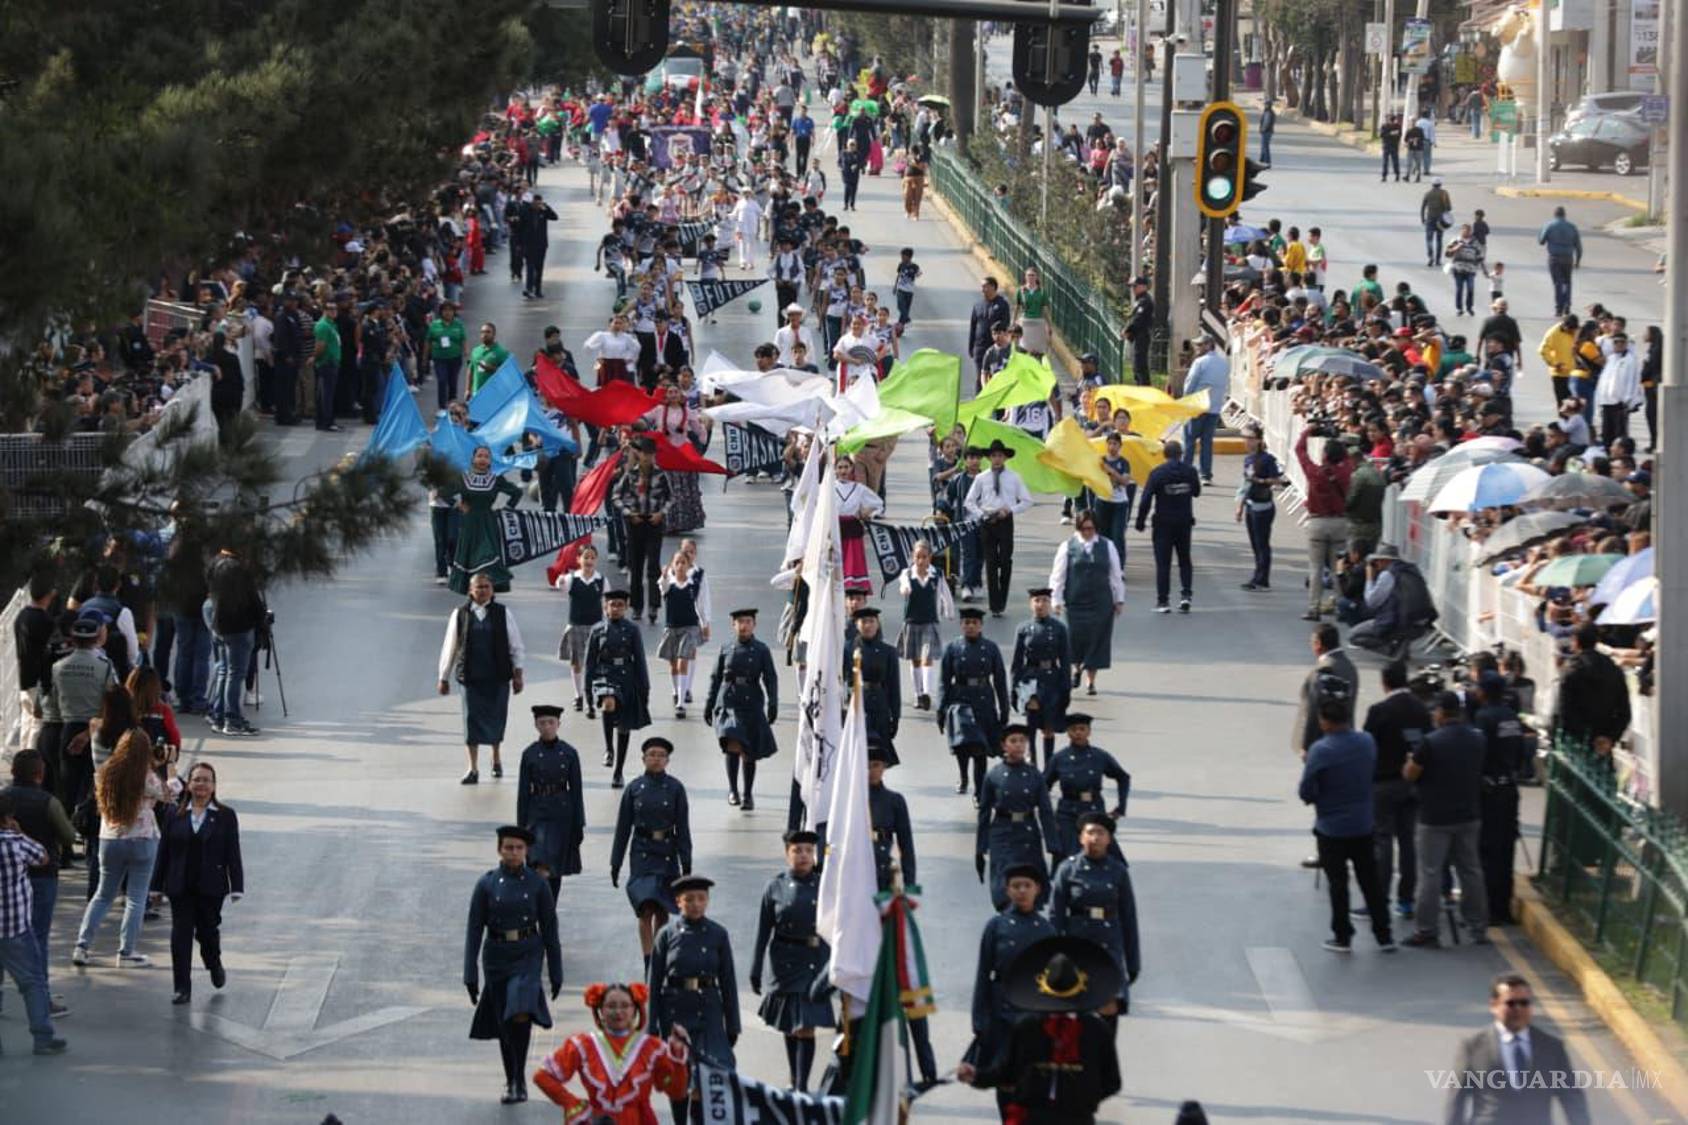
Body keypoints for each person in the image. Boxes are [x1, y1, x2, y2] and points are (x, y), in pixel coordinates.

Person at [958, 935, 1122, 1123]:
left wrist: (1084, 1098)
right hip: (1034, 1118)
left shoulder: (1097, 1031)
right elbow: (1006, 1072)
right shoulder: (1027, 1027)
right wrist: (976, 1075)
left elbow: (1112, 1081)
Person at [465, 824, 564, 1105]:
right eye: (508, 847)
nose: (513, 852)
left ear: (526, 851)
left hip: (527, 954)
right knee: (504, 1020)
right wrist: (470, 974)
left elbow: (549, 929)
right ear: (499, 849)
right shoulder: (486, 884)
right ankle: (511, 1079)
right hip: (496, 956)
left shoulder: (537, 884)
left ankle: (519, 1080)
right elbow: (473, 930)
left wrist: (556, 971)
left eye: (519, 848)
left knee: (520, 1011)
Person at [1299, 697, 1396, 953]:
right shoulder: (1366, 742)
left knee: (1338, 883)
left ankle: (1342, 935)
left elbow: (1306, 790)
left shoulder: (1321, 750)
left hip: (1332, 828)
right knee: (1370, 881)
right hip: (1363, 823)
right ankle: (1384, 934)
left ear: (1326, 722)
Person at [72, 729, 171, 968]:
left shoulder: (105, 772)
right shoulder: (146, 776)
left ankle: (82, 946)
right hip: (143, 838)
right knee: (136, 898)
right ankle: (126, 952)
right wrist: (168, 765)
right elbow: (169, 794)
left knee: (103, 895)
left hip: (110, 839)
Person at [648, 874, 739, 1124]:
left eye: (701, 898)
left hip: (708, 1011)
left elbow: (728, 981)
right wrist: (651, 1025)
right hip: (676, 1012)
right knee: (679, 1076)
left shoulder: (718, 934)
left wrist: (732, 1024)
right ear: (678, 902)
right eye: (689, 899)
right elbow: (654, 982)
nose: (696, 904)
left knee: (703, 1077)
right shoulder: (666, 935)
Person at [1444, 973, 1593, 1124]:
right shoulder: (1472, 1046)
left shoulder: (1552, 1047)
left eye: (1524, 1003)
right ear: (1494, 1005)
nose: (1518, 1009)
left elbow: (1572, 1100)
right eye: (1511, 1003)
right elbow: (1457, 1100)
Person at [1402, 693, 1490, 947]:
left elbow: (1410, 774)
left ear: (1441, 712)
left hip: (1434, 817)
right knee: (1471, 871)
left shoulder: (1430, 742)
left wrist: (1410, 761)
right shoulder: (1477, 739)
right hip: (1468, 814)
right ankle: (1477, 926)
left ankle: (1427, 930)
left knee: (1430, 873)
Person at [532, 981, 690, 1122]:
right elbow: (542, 1076)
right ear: (600, 1010)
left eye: (625, 1006)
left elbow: (677, 1092)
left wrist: (677, 1059)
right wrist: (572, 1103)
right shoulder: (584, 1045)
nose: (618, 1012)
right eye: (611, 1006)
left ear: (635, 1010)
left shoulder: (651, 1048)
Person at [749, 831, 833, 1092]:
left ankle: (801, 1085)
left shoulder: (825, 885)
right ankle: (794, 1079)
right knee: (789, 1025)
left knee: (805, 1026)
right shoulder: (774, 886)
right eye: (797, 850)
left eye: (808, 850)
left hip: (814, 962)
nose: (804, 855)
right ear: (788, 854)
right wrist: (755, 967)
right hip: (784, 961)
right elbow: (763, 930)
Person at [153, 761, 242, 1004]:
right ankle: (182, 987)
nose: (201, 784)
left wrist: (237, 886)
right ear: (189, 785)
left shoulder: (225, 816)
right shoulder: (174, 814)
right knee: (180, 936)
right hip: (180, 886)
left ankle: (214, 963)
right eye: (197, 780)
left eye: (206, 780)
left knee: (207, 933)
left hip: (211, 887)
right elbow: (164, 851)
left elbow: (233, 852)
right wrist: (156, 885)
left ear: (213, 786)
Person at [960, 863, 1056, 1085]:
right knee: (1003, 1080)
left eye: (1027, 885)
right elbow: (983, 975)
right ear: (1007, 890)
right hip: (1001, 1013)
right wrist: (980, 1020)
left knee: (1030, 1079)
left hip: (1034, 1014)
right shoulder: (996, 926)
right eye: (1016, 886)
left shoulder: (1046, 930)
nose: (1022, 891)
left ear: (1037, 889)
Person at [1049, 812, 1141, 1018]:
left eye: (1101, 833)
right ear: (1081, 837)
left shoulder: (1118, 871)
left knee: (1108, 1010)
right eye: (1090, 833)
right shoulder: (1067, 870)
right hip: (1078, 943)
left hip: (1109, 944)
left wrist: (1133, 963)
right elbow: (1056, 916)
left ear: (1109, 839)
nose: (1095, 838)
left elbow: (1128, 918)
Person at [437, 572, 526, 785]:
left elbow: (516, 645)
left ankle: (496, 759)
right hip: (471, 677)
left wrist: (518, 673)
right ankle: (473, 768)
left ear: (492, 590)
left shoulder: (503, 613)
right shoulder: (460, 614)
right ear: (471, 590)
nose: (483, 591)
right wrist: (443, 676)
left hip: (497, 676)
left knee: (497, 718)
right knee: (471, 721)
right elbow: (450, 646)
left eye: (487, 587)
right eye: (479, 587)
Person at [610, 736, 691, 967]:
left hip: (666, 851)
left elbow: (683, 827)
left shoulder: (676, 788)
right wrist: (615, 863)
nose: (656, 759)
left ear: (667, 760)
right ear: (643, 758)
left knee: (662, 909)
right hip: (642, 852)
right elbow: (623, 828)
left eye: (661, 755)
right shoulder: (634, 788)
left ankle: (658, 956)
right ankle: (648, 959)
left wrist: (686, 863)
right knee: (645, 908)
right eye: (652, 755)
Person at [0, 790, 66, 1056]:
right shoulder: (16, 841)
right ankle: (43, 1037)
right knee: (33, 982)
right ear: (9, 816)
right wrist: (20, 831)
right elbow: (43, 857)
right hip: (15, 929)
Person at [1363, 661, 1430, 919]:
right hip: (1413, 784)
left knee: (1382, 842)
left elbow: (1367, 747)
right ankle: (1406, 899)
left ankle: (1378, 899)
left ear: (1384, 683)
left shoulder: (1380, 711)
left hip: (1383, 783)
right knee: (1407, 843)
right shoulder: (1422, 710)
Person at [976, 724, 1059, 911]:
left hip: (1028, 831)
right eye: (1013, 741)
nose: (1018, 745)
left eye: (1022, 741)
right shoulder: (994, 775)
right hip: (1002, 832)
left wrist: (1054, 846)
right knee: (1004, 880)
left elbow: (1045, 811)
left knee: (1030, 879)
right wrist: (980, 849)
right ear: (1004, 746)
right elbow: (984, 813)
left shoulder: (1035, 775)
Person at [38, 610, 116, 811]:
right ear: (97, 637)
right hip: (96, 731)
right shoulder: (105, 666)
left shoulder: (59, 667)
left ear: (73, 638)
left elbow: (51, 706)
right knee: (94, 786)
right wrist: (87, 734)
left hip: (67, 730)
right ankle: (88, 830)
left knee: (67, 787)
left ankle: (67, 835)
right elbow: (112, 704)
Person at [704, 608, 780, 810]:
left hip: (752, 702)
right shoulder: (726, 648)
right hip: (728, 702)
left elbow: (770, 677)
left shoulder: (762, 649)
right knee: (732, 743)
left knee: (749, 751)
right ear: (733, 625)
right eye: (740, 622)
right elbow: (716, 677)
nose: (744, 625)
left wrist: (773, 703)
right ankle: (733, 790)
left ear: (754, 624)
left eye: (748, 621)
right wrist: (709, 703)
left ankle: (747, 794)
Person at [1050, 510, 1124, 697]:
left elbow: (1115, 575)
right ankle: (1077, 667)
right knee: (1074, 638)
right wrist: (1056, 599)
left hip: (1101, 602)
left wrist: (1119, 599)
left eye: (1090, 529)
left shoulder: (1107, 546)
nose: (1087, 532)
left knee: (1097, 640)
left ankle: (1091, 681)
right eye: (1083, 529)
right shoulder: (1067, 547)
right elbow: (1058, 575)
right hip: (1075, 601)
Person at [938, 607, 1010, 801]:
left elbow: (1000, 680)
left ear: (981, 626)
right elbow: (944, 680)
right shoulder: (952, 648)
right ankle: (963, 777)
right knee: (963, 745)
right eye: (966, 623)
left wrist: (1005, 709)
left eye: (974, 623)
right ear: (961, 625)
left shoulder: (991, 648)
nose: (970, 626)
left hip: (984, 700)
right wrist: (941, 709)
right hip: (960, 701)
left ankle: (979, 791)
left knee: (980, 749)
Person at [515, 705, 585, 901]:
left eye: (551, 723)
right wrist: (521, 827)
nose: (547, 727)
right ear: (536, 725)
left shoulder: (569, 753)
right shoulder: (529, 754)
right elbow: (523, 793)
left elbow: (577, 791)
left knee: (555, 869)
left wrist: (579, 823)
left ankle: (548, 909)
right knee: (539, 863)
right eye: (542, 723)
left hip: (562, 815)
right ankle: (539, 907)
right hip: (537, 814)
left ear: (558, 724)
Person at [1471, 674, 1523, 926]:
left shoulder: (1484, 717)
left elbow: (1479, 753)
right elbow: (1522, 754)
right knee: (1506, 850)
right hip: (1509, 789)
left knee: (1488, 851)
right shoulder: (1512, 716)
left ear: (1483, 691)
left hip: (1490, 793)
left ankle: (1489, 909)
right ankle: (1503, 907)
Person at [586, 590, 652, 786]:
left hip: (627, 675)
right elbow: (590, 662)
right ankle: (609, 749)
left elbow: (640, 659)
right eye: (612, 605)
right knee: (608, 704)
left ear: (626, 608)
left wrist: (644, 688)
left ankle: (619, 771)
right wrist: (588, 693)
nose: (616, 609)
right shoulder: (597, 630)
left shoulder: (632, 630)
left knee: (624, 727)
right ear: (605, 607)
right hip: (605, 674)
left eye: (620, 605)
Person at [1042, 713, 1130, 860]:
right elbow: (1043, 786)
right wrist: (1049, 815)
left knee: (1108, 855)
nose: (1078, 733)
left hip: (1094, 809)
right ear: (1068, 732)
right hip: (1067, 813)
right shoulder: (1060, 758)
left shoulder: (1099, 756)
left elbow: (1123, 777)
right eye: (1074, 729)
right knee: (1066, 856)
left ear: (1089, 731)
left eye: (1082, 729)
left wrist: (1121, 807)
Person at [965, 439, 1035, 617]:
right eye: (994, 456)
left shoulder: (1014, 477)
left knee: (1005, 561)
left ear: (1005, 458)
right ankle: (994, 604)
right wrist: (981, 514)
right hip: (988, 521)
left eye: (1000, 456)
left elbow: (1027, 500)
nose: (997, 459)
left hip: (1005, 521)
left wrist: (1010, 510)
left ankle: (1002, 598)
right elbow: (969, 501)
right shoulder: (982, 478)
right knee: (990, 562)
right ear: (989, 458)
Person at [443, 446, 523, 596]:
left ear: (490, 461)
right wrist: (457, 504)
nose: (482, 459)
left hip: (488, 523)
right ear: (473, 459)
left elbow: (516, 493)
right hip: (469, 524)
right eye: (479, 456)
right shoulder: (463, 477)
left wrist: (507, 509)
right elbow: (443, 492)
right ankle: (474, 593)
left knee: (486, 556)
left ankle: (487, 592)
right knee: (471, 559)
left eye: (486, 457)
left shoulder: (495, 478)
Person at [203, 545, 265, 737]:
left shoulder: (215, 563)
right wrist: (260, 619)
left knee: (223, 670)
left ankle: (219, 714)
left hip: (218, 624)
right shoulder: (239, 570)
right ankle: (232, 719)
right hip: (238, 626)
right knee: (235, 674)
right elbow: (253, 601)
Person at [1294, 428, 1353, 621]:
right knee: (1339, 568)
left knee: (1316, 567)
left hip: (1317, 522)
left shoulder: (1315, 473)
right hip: (1339, 523)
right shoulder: (1345, 473)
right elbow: (1349, 460)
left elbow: (1300, 451)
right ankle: (1341, 605)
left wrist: (1308, 432)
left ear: (1325, 455)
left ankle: (1314, 608)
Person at [1135, 439, 1201, 613]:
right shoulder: (1190, 471)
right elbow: (1196, 492)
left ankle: (1163, 601)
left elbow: (1146, 499)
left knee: (1163, 563)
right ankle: (1186, 595)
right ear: (1180, 454)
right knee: (1184, 559)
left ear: (1164, 455)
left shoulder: (1157, 473)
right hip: (1184, 522)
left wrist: (1140, 521)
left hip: (1163, 524)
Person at [1011, 588, 1071, 769]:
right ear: (1031, 604)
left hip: (1052, 678)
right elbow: (1016, 662)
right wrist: (1013, 688)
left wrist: (1066, 687)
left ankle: (1049, 765)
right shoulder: (1023, 629)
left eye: (1045, 601)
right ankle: (1032, 761)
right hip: (1031, 679)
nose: (1041, 605)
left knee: (1048, 726)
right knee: (1031, 721)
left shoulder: (1060, 628)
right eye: (1037, 601)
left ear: (1050, 604)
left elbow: (1065, 660)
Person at [614, 437, 672, 623]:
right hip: (635, 523)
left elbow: (671, 498)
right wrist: (628, 513)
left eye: (651, 454)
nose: (648, 458)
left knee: (653, 566)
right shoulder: (630, 475)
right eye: (645, 454)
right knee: (636, 566)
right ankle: (637, 606)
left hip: (654, 522)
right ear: (639, 455)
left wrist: (661, 513)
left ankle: (654, 606)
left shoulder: (661, 475)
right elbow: (616, 497)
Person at [1553, 623, 1631, 755]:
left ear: (1576, 641)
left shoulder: (1571, 669)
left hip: (1576, 745)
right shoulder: (1614, 669)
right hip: (1603, 746)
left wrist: (1587, 738)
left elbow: (1563, 711)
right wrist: (1610, 738)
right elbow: (1624, 712)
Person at [896, 540, 953, 711]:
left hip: (929, 621)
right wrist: (905, 589)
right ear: (913, 557)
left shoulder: (937, 575)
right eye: (917, 557)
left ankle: (927, 693)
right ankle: (918, 693)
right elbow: (903, 586)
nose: (920, 561)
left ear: (930, 558)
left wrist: (949, 611)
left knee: (927, 657)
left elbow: (945, 594)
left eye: (924, 557)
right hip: (912, 621)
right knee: (915, 659)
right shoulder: (906, 574)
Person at [656, 547, 711, 719]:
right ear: (673, 565)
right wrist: (664, 575)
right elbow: (662, 586)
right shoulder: (668, 585)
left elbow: (701, 605)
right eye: (677, 562)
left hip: (690, 628)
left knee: (682, 662)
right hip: (672, 628)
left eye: (683, 563)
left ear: (688, 566)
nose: (680, 566)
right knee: (673, 665)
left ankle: (681, 702)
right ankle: (676, 690)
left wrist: (705, 624)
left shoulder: (693, 586)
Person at [845, 606, 902, 764]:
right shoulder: (848, 648)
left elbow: (893, 685)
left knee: (876, 756)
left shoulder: (888, 651)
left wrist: (895, 716)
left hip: (879, 707)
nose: (868, 625)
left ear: (877, 625)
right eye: (864, 621)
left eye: (871, 621)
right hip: (855, 705)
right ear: (857, 624)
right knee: (856, 755)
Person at [553, 544, 605, 716]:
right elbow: (560, 587)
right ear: (578, 559)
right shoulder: (572, 578)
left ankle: (593, 692)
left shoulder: (601, 580)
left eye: (592, 557)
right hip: (576, 625)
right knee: (577, 662)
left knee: (594, 663)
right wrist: (559, 581)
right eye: (586, 557)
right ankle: (578, 695)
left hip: (596, 627)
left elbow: (607, 602)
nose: (589, 561)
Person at [1236, 423, 1282, 590]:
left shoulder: (1267, 459)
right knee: (1255, 543)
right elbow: (1245, 484)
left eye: (1250, 438)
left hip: (1263, 506)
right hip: (1250, 504)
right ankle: (1257, 574)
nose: (1247, 442)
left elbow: (1276, 480)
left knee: (1262, 543)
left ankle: (1263, 578)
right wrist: (1240, 506)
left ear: (1258, 440)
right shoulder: (1248, 459)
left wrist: (1261, 481)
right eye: (1245, 438)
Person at [834, 455, 885, 594]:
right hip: (835, 529)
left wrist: (865, 512)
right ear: (835, 470)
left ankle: (854, 589)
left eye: (846, 467)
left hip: (853, 529)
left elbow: (878, 504)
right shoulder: (829, 488)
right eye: (840, 467)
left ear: (851, 469)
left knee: (853, 562)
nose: (843, 470)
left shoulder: (859, 488)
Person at [1181, 337, 1227, 483]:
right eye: (1197, 345)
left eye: (1200, 345)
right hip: (1214, 407)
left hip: (1197, 406)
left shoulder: (1200, 362)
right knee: (1207, 442)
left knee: (1189, 440)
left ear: (1209, 345)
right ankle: (1205, 474)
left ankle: (1185, 472)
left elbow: (1190, 383)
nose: (1197, 347)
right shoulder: (1224, 362)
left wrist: (1185, 400)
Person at [1593, 331, 1643, 447]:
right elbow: (1605, 380)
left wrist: (1628, 399)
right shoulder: (1611, 359)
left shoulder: (1630, 360)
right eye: (1616, 342)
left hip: (1620, 403)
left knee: (1619, 434)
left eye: (1622, 342)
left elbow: (1632, 381)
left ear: (1626, 344)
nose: (1619, 345)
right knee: (1607, 433)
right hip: (1607, 402)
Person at [1538, 206, 1583, 317]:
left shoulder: (1549, 225)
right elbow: (1578, 246)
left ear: (1555, 214)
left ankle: (1559, 308)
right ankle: (1567, 306)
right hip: (1568, 258)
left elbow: (1541, 241)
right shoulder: (1572, 227)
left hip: (1554, 258)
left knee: (1557, 283)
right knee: (1567, 282)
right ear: (1564, 215)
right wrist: (1578, 261)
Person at [968, 278, 1012, 385]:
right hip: (980, 347)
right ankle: (980, 400)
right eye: (982, 287)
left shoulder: (1002, 304)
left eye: (985, 286)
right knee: (980, 377)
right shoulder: (977, 305)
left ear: (993, 287)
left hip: (996, 347)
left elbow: (1005, 325)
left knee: (996, 377)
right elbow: (973, 327)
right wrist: (971, 347)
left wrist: (1003, 343)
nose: (983, 289)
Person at [1124, 277, 1154, 386]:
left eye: (1135, 286)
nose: (1133, 289)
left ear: (1144, 287)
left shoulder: (1145, 300)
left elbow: (1138, 319)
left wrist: (1128, 330)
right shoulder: (1139, 300)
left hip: (1142, 335)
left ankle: (1144, 387)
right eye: (1132, 286)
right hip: (1137, 336)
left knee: (1140, 364)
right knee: (1136, 365)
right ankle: (1139, 385)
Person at [1420, 178, 1452, 266]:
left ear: (1432, 185)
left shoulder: (1427, 194)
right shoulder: (1444, 193)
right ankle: (1438, 260)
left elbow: (1423, 207)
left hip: (1430, 219)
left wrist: (1422, 218)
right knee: (1439, 240)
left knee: (1429, 240)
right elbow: (1449, 208)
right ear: (1440, 184)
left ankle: (1431, 257)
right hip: (1440, 220)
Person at [1258, 98, 1276, 165]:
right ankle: (1262, 160)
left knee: (1265, 147)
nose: (1265, 105)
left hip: (1267, 131)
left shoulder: (1268, 112)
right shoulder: (1268, 112)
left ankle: (1267, 161)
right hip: (1267, 131)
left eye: (1266, 104)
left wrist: (1263, 129)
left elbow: (1266, 122)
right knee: (1264, 146)